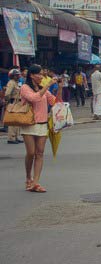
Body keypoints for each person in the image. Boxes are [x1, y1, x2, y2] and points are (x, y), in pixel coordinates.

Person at [20, 65, 62, 193]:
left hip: (42, 124)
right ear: (32, 75)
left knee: (40, 153)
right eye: (39, 74)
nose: (41, 76)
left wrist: (59, 88)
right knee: (31, 152)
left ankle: (36, 182)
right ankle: (28, 177)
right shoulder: (25, 88)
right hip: (29, 123)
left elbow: (55, 102)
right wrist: (47, 85)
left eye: (42, 74)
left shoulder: (43, 89)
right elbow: (34, 98)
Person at [4, 69, 23, 144]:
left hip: (18, 103)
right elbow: (7, 94)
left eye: (18, 75)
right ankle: (11, 138)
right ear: (12, 76)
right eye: (16, 75)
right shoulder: (11, 83)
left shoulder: (17, 83)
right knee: (13, 122)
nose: (18, 76)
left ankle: (16, 136)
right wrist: (8, 101)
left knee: (17, 121)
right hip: (13, 102)